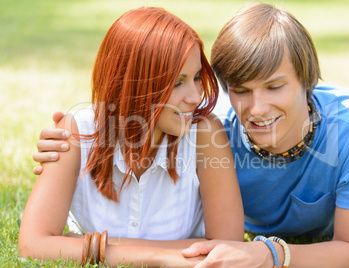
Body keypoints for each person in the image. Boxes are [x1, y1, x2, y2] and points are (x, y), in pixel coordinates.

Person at [33, 3, 349, 268]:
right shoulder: (208, 118)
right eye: (240, 89)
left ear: (308, 80)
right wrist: (67, 154)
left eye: (274, 86)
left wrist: (267, 253)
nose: (256, 109)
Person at [19, 7, 244, 267]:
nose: (196, 97)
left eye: (196, 78)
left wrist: (91, 246)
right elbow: (32, 246)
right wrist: (160, 258)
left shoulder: (204, 133)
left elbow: (229, 248)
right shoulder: (76, 132)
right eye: (177, 82)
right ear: (135, 83)